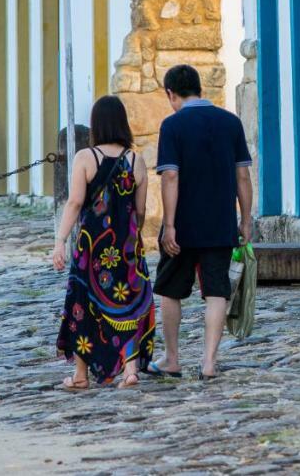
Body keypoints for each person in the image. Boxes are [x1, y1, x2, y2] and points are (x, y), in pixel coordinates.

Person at [148, 64, 254, 381]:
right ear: (200, 89)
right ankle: (208, 363)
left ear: (171, 93)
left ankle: (172, 359)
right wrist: (245, 219)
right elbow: (243, 176)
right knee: (217, 292)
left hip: (183, 226)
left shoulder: (173, 126)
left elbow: (170, 175)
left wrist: (169, 225)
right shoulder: (230, 123)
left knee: (171, 291)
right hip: (221, 223)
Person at [53, 95, 156, 390]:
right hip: (126, 245)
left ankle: (81, 376)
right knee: (128, 304)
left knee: (83, 303)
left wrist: (60, 241)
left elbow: (74, 202)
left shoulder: (85, 158)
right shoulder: (136, 161)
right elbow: (140, 210)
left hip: (92, 245)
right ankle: (131, 369)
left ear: (97, 125)